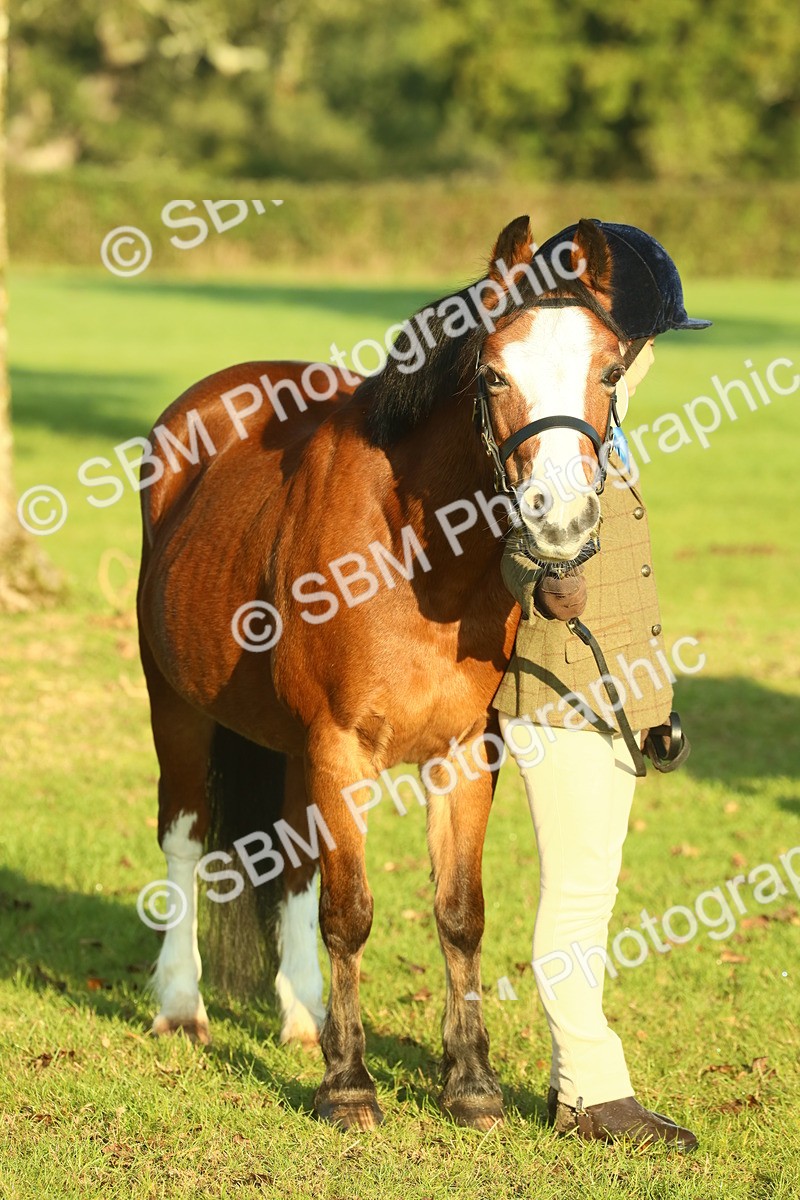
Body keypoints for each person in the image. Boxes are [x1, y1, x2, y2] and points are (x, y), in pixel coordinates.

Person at [493, 222, 711, 1150]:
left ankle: (575, 1086)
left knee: (594, 893)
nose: (646, 357)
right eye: (647, 339)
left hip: (617, 696)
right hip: (561, 693)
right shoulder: (542, 438)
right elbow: (502, 546)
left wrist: (652, 711)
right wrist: (534, 577)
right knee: (577, 899)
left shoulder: (601, 423)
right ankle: (594, 1093)